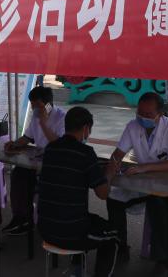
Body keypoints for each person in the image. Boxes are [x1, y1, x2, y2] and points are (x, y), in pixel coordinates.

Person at [38, 106, 119, 277]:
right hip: (71, 233)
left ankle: (76, 270)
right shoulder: (86, 153)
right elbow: (102, 194)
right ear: (86, 128)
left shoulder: (51, 149)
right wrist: (109, 174)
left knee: (86, 219)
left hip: (45, 228)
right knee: (112, 233)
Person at [107, 92, 168, 264]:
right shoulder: (132, 126)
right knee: (113, 199)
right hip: (143, 181)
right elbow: (118, 154)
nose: (142, 117)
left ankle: (161, 257)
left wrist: (145, 167)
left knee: (157, 202)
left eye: (148, 114)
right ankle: (120, 247)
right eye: (140, 112)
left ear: (160, 114)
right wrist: (109, 175)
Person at [2, 86, 66, 236]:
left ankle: (32, 219)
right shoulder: (36, 117)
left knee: (30, 182)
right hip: (37, 162)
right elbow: (28, 137)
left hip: (55, 165)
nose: (33, 109)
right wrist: (14, 144)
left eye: (37, 105)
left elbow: (59, 145)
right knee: (18, 174)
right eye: (32, 105)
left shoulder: (62, 118)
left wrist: (44, 123)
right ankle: (21, 218)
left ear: (48, 104)